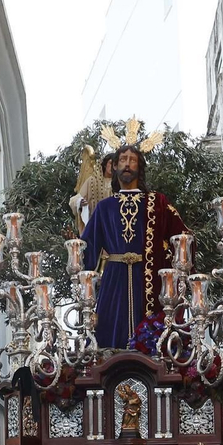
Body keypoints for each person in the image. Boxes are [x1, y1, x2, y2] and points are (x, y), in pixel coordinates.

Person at [79, 123, 187, 349]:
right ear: (114, 167)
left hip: (148, 278)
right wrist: (79, 268)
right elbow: (87, 246)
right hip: (114, 279)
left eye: (132, 160)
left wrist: (175, 269)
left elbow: (182, 237)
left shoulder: (157, 202)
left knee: (151, 337)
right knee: (108, 339)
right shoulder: (105, 207)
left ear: (140, 167)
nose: (127, 164)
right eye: (122, 160)